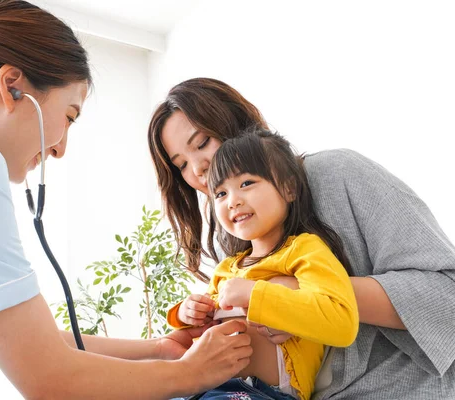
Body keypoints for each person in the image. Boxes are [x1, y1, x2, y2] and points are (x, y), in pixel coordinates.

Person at [0, 3, 254, 399]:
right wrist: (192, 374)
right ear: (12, 87)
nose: (60, 148)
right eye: (69, 115)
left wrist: (160, 350)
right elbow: (49, 379)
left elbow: (35, 342)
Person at [148, 77, 455, 398]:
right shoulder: (238, 235)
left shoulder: (337, 174)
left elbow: (447, 296)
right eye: (181, 164)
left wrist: (292, 295)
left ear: (237, 126)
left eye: (202, 143)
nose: (197, 169)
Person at [167, 130, 358, 400]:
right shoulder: (228, 268)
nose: (233, 200)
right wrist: (187, 313)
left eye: (246, 183)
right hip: (204, 386)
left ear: (289, 188)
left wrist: (256, 294)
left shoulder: (304, 250)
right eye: (220, 193)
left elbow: (342, 322)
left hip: (262, 394)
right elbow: (194, 336)